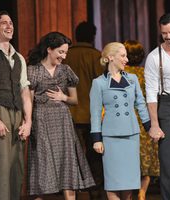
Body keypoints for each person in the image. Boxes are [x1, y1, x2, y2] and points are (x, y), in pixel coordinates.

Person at [27, 31, 95, 200]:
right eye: (61, 52)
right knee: (42, 164)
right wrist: (27, 121)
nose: (64, 56)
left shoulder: (65, 70)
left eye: (65, 52)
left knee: (67, 163)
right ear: (49, 49)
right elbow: (28, 101)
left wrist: (63, 97)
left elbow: (74, 99)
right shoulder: (33, 70)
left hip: (63, 120)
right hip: (41, 120)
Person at [90, 42, 151, 200]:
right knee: (114, 182)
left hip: (131, 135)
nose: (126, 59)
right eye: (123, 56)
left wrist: (149, 126)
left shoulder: (132, 79)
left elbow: (140, 104)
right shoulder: (99, 83)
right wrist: (97, 139)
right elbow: (95, 113)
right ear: (111, 57)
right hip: (111, 137)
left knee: (128, 183)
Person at [0, 11, 32, 200]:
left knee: (16, 167)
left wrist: (28, 121)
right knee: (1, 167)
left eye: (11, 22)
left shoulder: (19, 57)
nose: (9, 25)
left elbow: (25, 91)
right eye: (3, 23)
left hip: (17, 112)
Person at [63, 21, 106, 200]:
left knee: (71, 157)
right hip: (91, 116)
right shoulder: (96, 57)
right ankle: (95, 193)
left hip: (69, 114)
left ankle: (71, 193)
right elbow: (104, 86)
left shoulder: (66, 56)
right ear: (93, 36)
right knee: (95, 157)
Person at [144, 13, 170, 199]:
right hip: (169, 108)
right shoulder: (154, 57)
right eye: (164, 33)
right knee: (169, 162)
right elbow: (151, 93)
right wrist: (154, 124)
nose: (168, 36)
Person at [124, 40, 160, 200]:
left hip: (126, 120)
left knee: (128, 158)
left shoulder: (120, 75)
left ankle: (129, 193)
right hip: (145, 120)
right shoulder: (145, 74)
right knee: (145, 156)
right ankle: (143, 192)